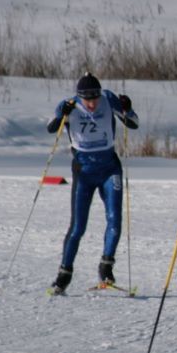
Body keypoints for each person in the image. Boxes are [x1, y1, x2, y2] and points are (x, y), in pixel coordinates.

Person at [47, 72, 139, 294]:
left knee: (115, 219)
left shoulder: (107, 98)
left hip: (109, 168)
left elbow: (133, 123)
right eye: (87, 99)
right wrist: (62, 116)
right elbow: (51, 128)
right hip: (84, 172)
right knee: (78, 227)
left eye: (94, 98)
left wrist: (127, 107)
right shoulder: (68, 105)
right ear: (79, 97)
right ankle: (64, 275)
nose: (91, 103)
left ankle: (106, 267)